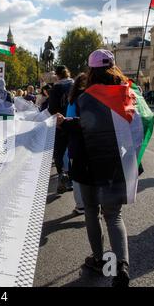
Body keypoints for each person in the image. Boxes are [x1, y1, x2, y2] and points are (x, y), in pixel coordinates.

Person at [58, 49, 133, 287]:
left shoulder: (86, 98)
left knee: (91, 211)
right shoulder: (128, 94)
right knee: (114, 215)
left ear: (92, 71)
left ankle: (100, 260)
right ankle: (121, 264)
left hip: (89, 163)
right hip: (117, 163)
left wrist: (66, 123)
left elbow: (86, 127)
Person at [48, 65, 74, 194]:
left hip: (61, 123)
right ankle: (74, 178)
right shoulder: (76, 84)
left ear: (57, 75)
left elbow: (52, 108)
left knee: (59, 151)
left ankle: (62, 174)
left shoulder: (56, 88)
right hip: (76, 121)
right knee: (75, 150)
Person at [66, 73, 88, 215]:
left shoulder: (72, 100)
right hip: (92, 141)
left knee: (77, 176)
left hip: (76, 141)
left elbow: (68, 120)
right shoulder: (92, 97)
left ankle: (80, 205)